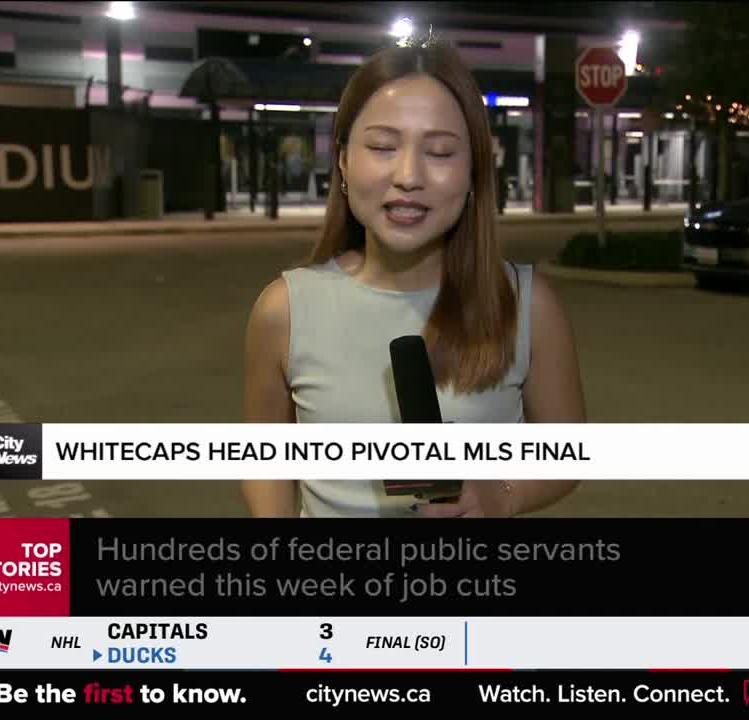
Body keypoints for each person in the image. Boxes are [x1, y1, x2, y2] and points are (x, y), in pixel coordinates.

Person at [241, 36, 585, 518]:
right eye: (382, 146)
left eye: (441, 152)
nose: (409, 175)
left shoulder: (528, 305)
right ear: (342, 161)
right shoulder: (284, 309)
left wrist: (500, 496)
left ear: (473, 173)